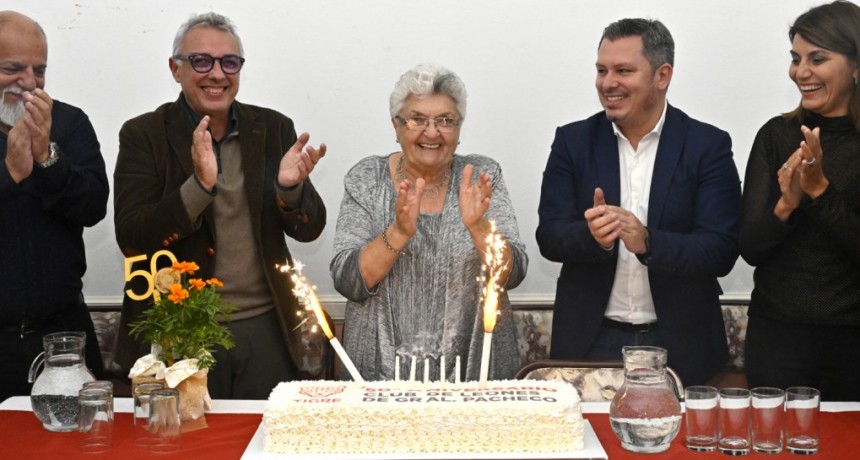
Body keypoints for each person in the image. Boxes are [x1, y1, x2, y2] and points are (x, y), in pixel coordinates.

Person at [113, 12, 327, 399]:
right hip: (182, 327)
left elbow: (310, 228)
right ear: (175, 69)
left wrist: (288, 189)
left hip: (266, 326)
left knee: (263, 448)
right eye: (201, 61)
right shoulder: (144, 134)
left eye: (229, 62)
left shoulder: (274, 127)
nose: (217, 74)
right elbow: (132, 236)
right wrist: (199, 186)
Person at [536, 18, 741, 386]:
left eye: (623, 70)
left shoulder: (707, 146)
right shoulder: (573, 142)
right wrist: (593, 237)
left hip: (680, 342)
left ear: (662, 76)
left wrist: (648, 242)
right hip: (591, 340)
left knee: (676, 444)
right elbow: (549, 236)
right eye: (602, 70)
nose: (607, 83)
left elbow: (721, 249)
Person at [330, 63, 528, 381]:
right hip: (379, 380)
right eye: (417, 120)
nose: (432, 132)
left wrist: (478, 228)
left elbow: (512, 273)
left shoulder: (482, 176)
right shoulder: (366, 179)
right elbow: (348, 280)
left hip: (475, 378)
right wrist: (398, 232)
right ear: (396, 126)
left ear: (459, 128)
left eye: (446, 121)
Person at [740, 0, 860, 401]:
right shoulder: (776, 135)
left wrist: (820, 191)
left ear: (856, 66)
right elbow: (751, 248)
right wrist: (786, 203)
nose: (801, 72)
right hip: (777, 339)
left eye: (818, 58)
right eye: (796, 58)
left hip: (852, 343)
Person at [0, 11, 109, 401]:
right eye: (13, 68)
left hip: (64, 335)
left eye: (39, 70)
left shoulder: (69, 123)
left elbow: (94, 207)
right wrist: (10, 174)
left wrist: (48, 157)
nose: (28, 83)